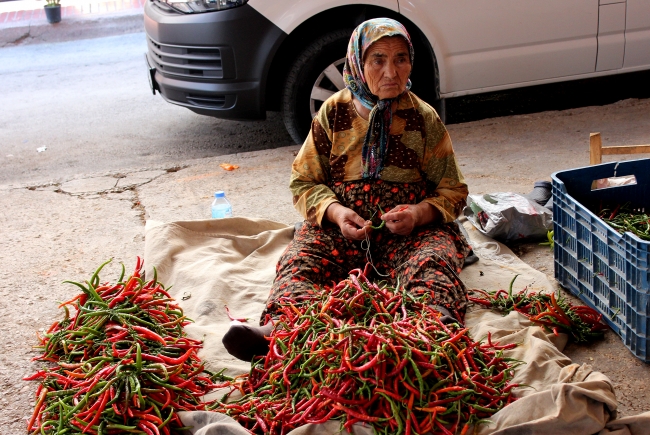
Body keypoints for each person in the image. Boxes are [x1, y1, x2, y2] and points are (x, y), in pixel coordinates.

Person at [223, 18, 471, 362]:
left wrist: (418, 214)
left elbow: (453, 190)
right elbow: (304, 182)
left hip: (406, 231)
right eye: (378, 60)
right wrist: (337, 214)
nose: (391, 72)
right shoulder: (333, 113)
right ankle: (280, 328)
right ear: (357, 62)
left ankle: (432, 326)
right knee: (300, 260)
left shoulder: (423, 117)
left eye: (401, 58)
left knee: (433, 259)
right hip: (343, 229)